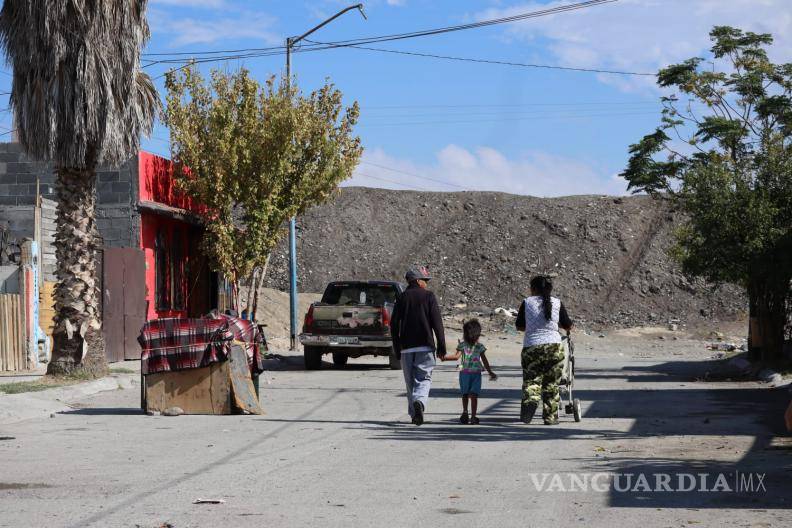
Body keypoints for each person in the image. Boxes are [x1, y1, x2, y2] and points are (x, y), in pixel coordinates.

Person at [390, 266, 447, 425]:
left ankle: (415, 414)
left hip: (406, 348)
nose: (426, 284)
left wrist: (396, 347)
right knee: (423, 379)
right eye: (425, 280)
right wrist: (442, 346)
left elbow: (394, 325)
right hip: (425, 346)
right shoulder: (428, 296)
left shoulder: (401, 298)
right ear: (417, 280)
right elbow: (437, 323)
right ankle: (420, 402)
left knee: (410, 383)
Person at [516, 275, 573, 425]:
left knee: (531, 380)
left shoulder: (527, 303)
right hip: (554, 347)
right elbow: (567, 324)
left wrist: (534, 326)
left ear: (533, 289)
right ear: (550, 289)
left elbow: (519, 326)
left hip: (532, 346)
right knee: (551, 384)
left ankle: (531, 400)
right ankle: (550, 417)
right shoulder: (557, 302)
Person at [441, 319, 497, 424]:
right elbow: (485, 361)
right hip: (475, 375)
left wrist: (444, 358)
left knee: (465, 394)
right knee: (474, 396)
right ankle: (473, 417)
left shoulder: (463, 345)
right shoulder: (479, 346)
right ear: (478, 334)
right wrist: (490, 372)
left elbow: (456, 357)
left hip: (464, 374)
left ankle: (465, 412)